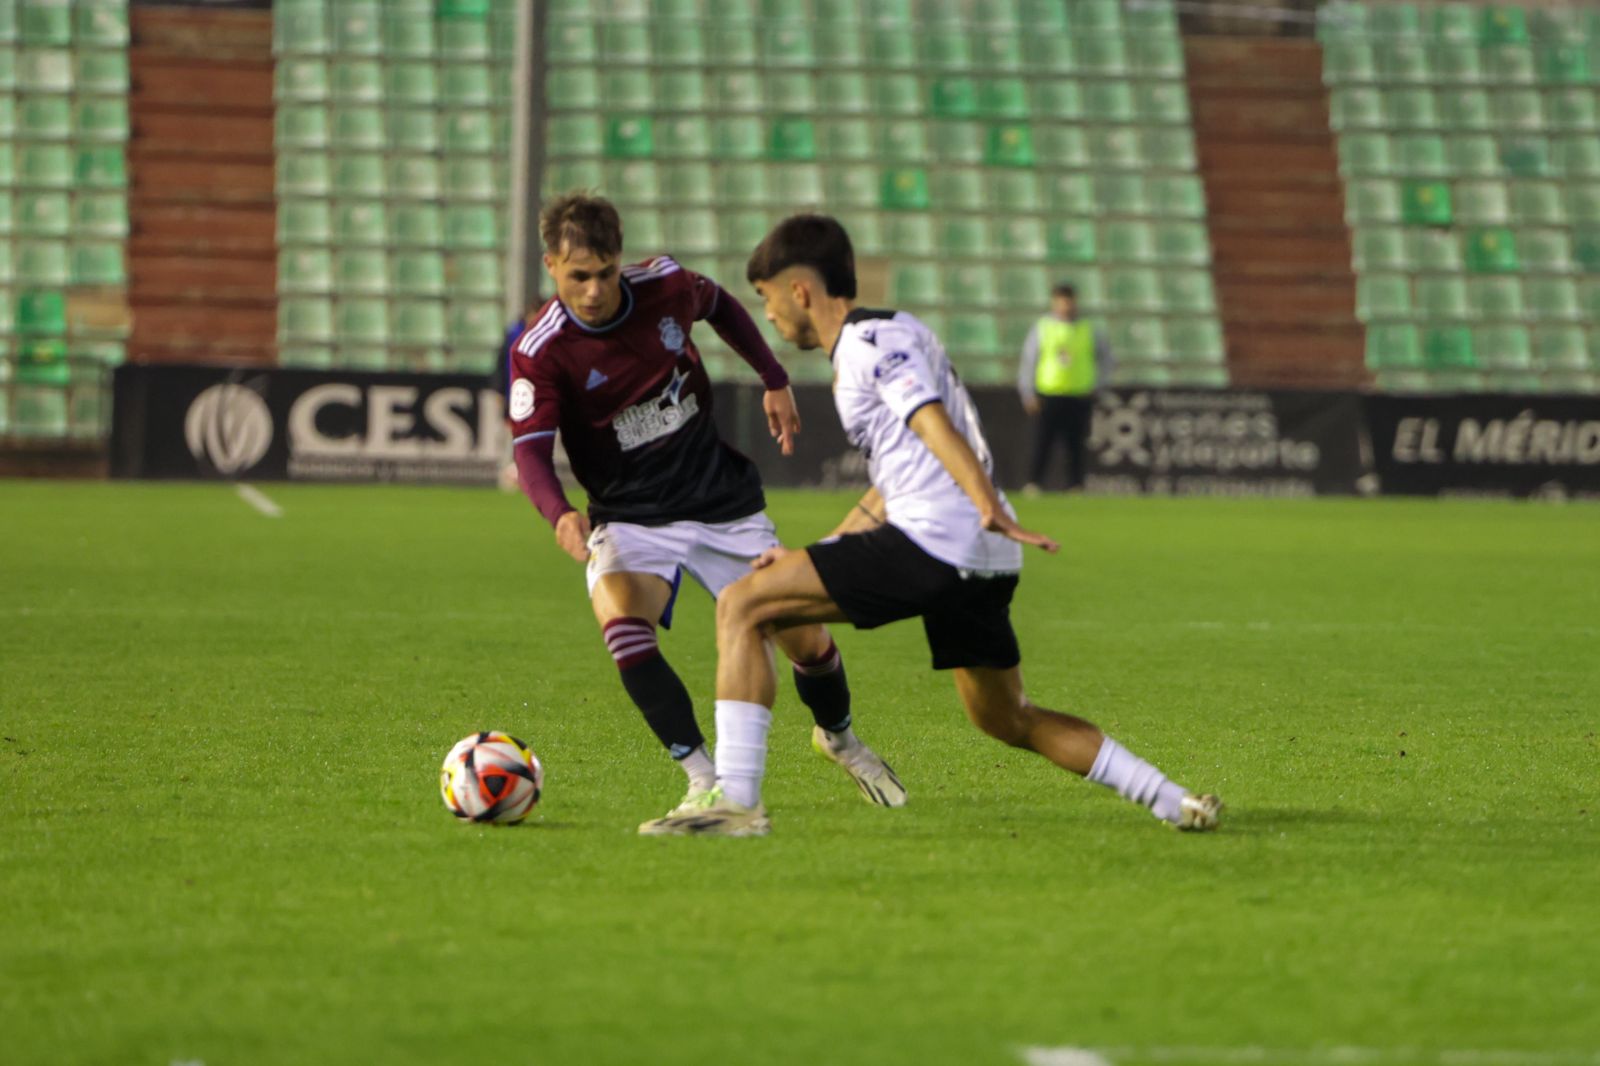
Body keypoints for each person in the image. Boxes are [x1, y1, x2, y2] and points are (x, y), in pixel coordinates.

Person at [640, 215, 1219, 838]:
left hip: (939, 539)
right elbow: (892, 486)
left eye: (767, 297)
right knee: (1006, 718)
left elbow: (929, 417)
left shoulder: (865, 345)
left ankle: (736, 801)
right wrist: (819, 551)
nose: (770, 315)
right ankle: (1172, 799)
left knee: (742, 604)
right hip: (982, 555)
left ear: (799, 290)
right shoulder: (899, 329)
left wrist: (985, 501)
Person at [509, 194, 905, 830]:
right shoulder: (541, 349)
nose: (595, 290)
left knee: (806, 640)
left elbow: (719, 304)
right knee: (622, 622)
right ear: (551, 264)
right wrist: (559, 513)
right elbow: (530, 451)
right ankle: (704, 780)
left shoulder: (665, 285)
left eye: (606, 272)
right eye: (579, 276)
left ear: (620, 258)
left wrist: (773, 378)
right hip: (630, 514)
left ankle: (840, 739)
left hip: (719, 501)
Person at [1017, 282, 1113, 495]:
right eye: (1061, 302)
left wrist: (1099, 386)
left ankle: (1075, 485)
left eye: (1069, 302)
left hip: (1079, 394)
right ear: (1054, 303)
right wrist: (1028, 392)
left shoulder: (1089, 328)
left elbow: (1106, 359)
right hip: (1049, 393)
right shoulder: (1043, 327)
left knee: (1076, 444)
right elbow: (1029, 361)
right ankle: (1034, 482)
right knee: (1042, 442)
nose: (1065, 306)